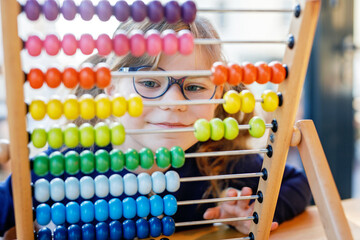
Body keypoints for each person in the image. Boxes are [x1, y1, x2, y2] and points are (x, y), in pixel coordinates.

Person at [0, 17, 311, 237]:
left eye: (196, 87)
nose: (174, 102)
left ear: (219, 98)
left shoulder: (220, 162)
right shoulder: (62, 167)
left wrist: (253, 211)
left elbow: (298, 182)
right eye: (149, 82)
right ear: (111, 89)